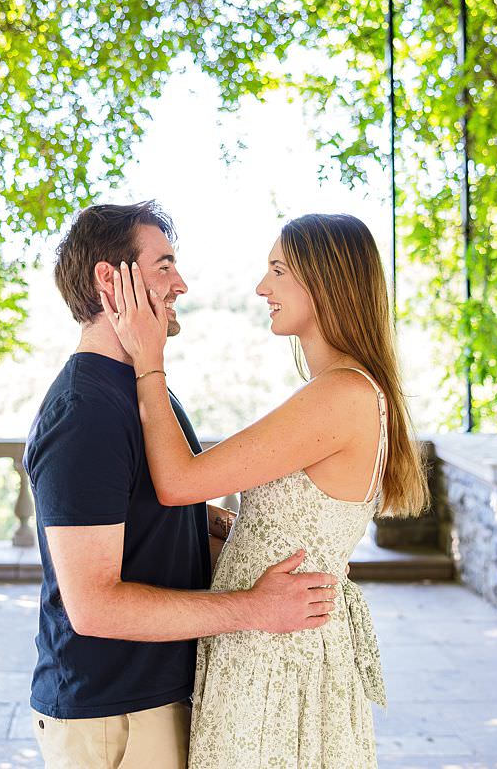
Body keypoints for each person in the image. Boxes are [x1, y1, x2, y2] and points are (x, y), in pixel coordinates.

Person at [105, 212, 431, 769]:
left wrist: (147, 361)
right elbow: (297, 515)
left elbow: (180, 480)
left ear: (324, 282)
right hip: (278, 646)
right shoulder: (343, 390)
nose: (262, 287)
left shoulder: (341, 394)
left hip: (278, 661)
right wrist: (238, 527)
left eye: (278, 270)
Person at [24, 201, 340, 769]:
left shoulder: (143, 389)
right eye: (164, 266)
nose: (182, 284)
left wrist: (237, 523)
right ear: (108, 278)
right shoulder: (85, 412)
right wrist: (254, 608)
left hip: (153, 699)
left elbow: (147, 507)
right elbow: (93, 606)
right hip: (112, 717)